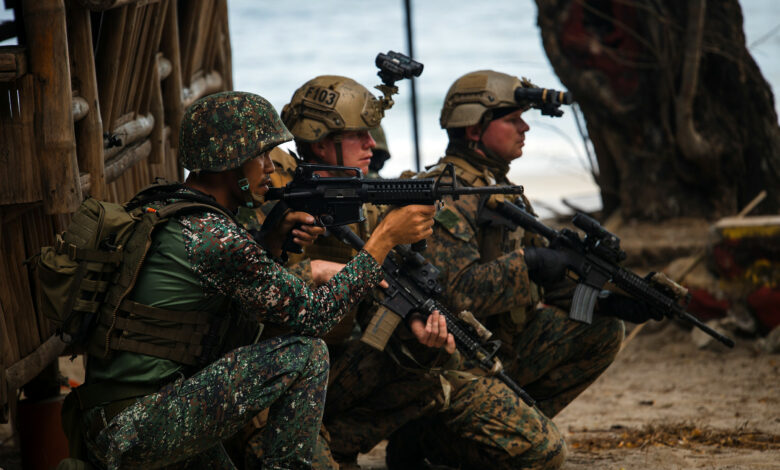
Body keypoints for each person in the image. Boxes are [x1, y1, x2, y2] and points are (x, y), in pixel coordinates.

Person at [61, 91, 435, 470]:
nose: (270, 166)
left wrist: (270, 243)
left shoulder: (169, 208)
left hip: (119, 417)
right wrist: (384, 239)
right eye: (260, 155)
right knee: (305, 353)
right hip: (139, 425)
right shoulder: (214, 236)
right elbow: (315, 317)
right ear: (229, 161)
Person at [383, 70, 658, 469]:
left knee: (602, 330)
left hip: (497, 348)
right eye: (512, 119)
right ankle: (428, 437)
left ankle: (497, 431)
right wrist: (529, 264)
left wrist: (616, 301)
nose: (525, 126)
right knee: (547, 455)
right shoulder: (447, 194)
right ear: (475, 129)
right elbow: (454, 294)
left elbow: (548, 282)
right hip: (450, 364)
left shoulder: (496, 189)